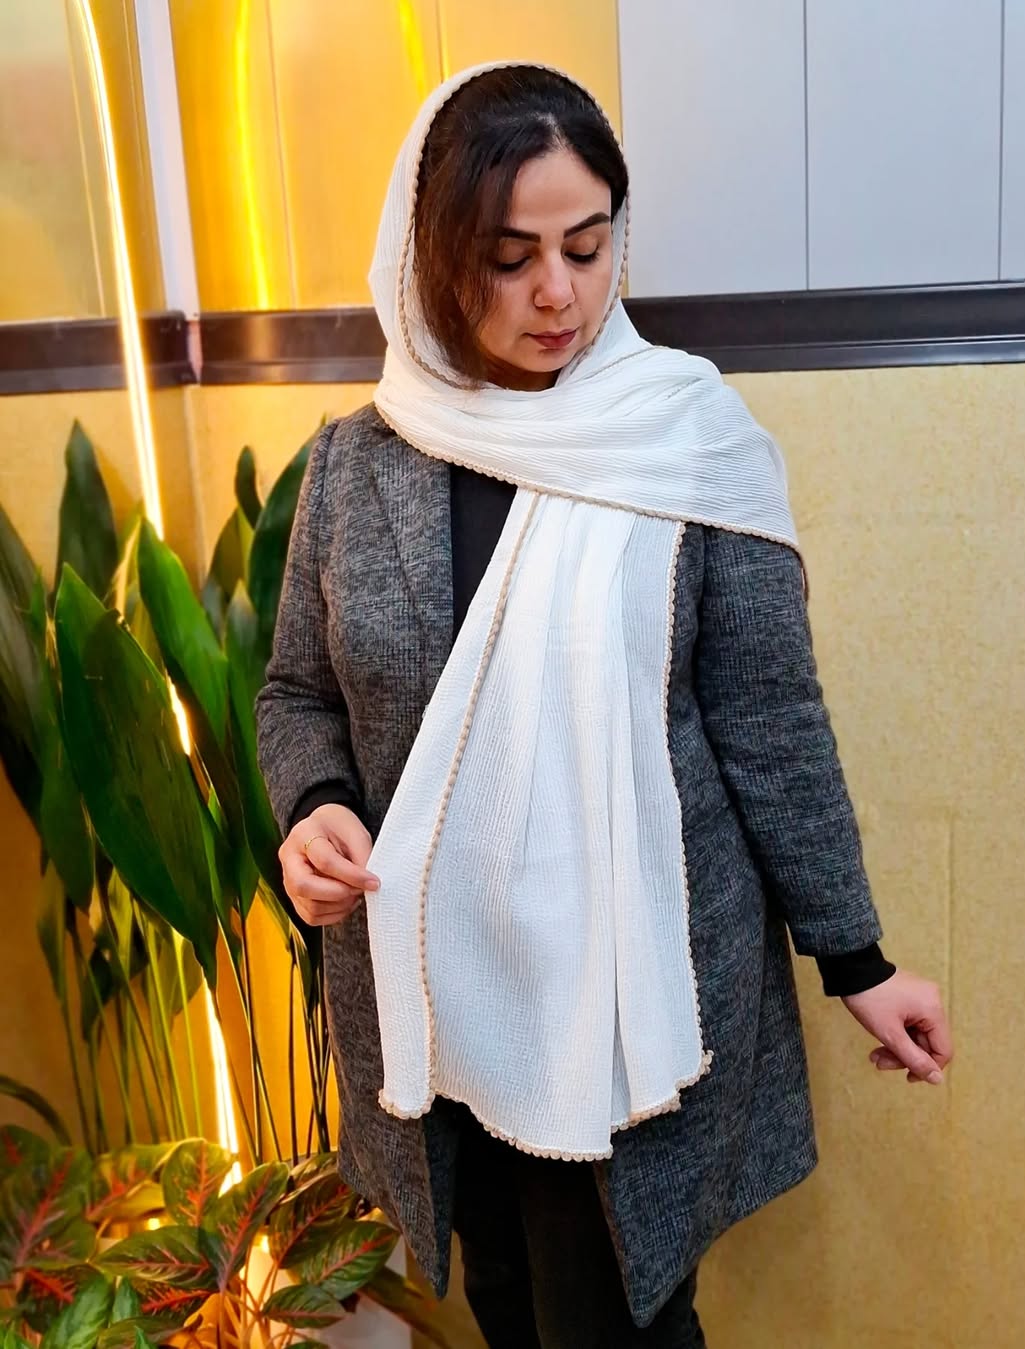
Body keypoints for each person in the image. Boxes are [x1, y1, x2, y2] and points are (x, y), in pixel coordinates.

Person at [255, 61, 954, 1349]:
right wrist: (315, 806)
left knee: (614, 1317)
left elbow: (772, 726)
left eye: (586, 246)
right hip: (439, 1003)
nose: (559, 292)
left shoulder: (684, 438)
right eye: (508, 257)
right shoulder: (357, 464)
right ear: (431, 255)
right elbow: (298, 690)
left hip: (625, 1009)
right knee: (508, 1304)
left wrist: (856, 960)